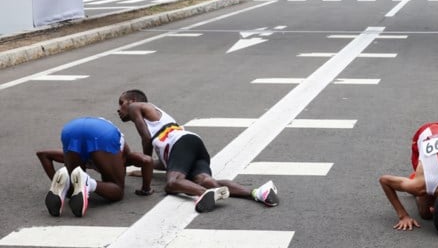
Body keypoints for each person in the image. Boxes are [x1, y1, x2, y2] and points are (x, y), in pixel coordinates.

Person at [116, 89, 279, 213]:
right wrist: (144, 168)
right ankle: (258, 193)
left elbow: (146, 138)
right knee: (206, 180)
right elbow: (169, 161)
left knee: (172, 183)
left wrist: (146, 162)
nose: (119, 109)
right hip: (192, 142)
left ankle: (203, 193)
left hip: (180, 144)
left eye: (121, 102)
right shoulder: (157, 120)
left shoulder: (135, 106)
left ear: (132, 100)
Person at [38, 117, 154, 217]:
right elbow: (147, 160)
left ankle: (65, 181)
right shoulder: (125, 156)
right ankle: (88, 182)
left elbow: (43, 154)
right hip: (102, 133)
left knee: (74, 185)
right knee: (117, 191)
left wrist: (54, 177)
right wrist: (146, 189)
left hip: (72, 129)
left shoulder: (108, 155)